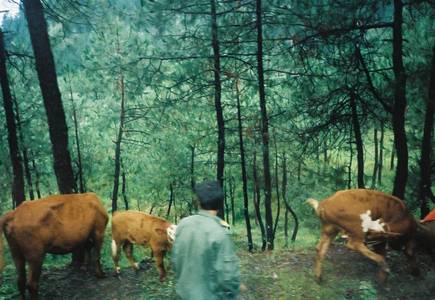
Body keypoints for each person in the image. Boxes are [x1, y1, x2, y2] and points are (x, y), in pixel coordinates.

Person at [172, 180, 245, 300]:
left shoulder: (183, 224)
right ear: (221, 203)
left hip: (184, 294)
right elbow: (228, 277)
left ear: (199, 203)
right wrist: (235, 289)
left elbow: (175, 261)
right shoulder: (220, 233)